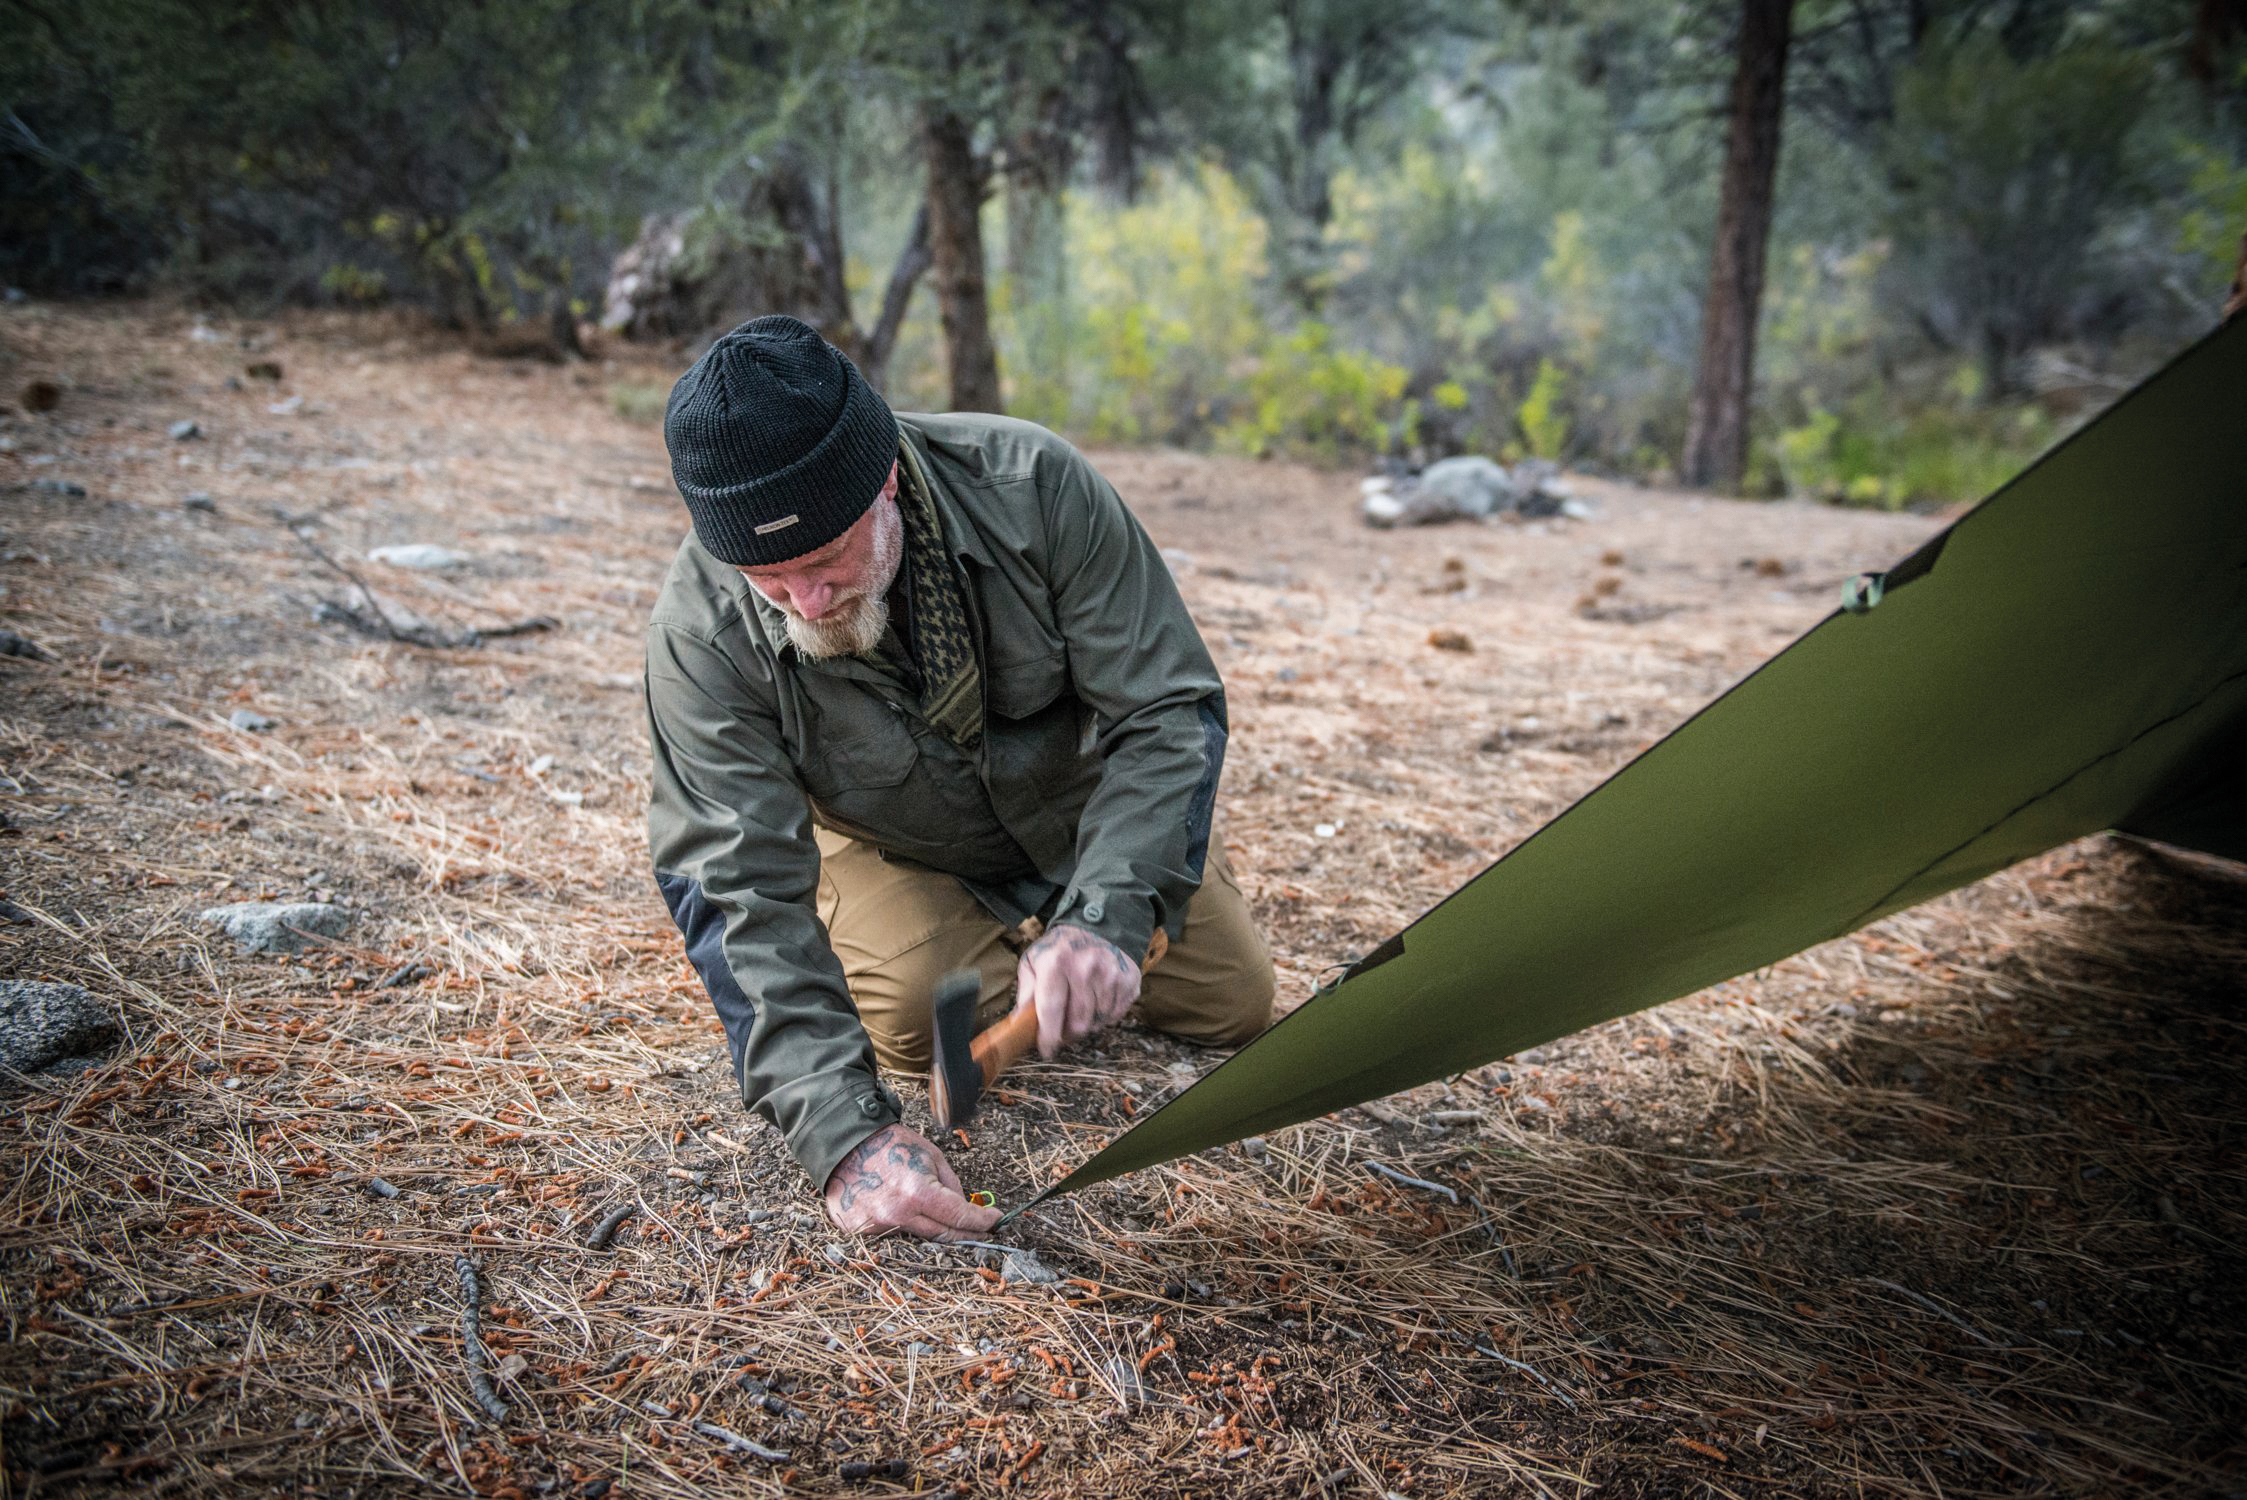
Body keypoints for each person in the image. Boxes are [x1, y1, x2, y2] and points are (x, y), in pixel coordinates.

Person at [644, 316, 1275, 1241]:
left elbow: (1166, 710)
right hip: (888, 832)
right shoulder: (700, 634)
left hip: (1072, 807)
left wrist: (1106, 913)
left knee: (1235, 1002)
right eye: (768, 576)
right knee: (910, 1015)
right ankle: (984, 944)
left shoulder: (1033, 486)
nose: (805, 603)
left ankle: (1059, 933)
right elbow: (732, 884)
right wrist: (844, 1139)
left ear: (886, 479)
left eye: (825, 560)